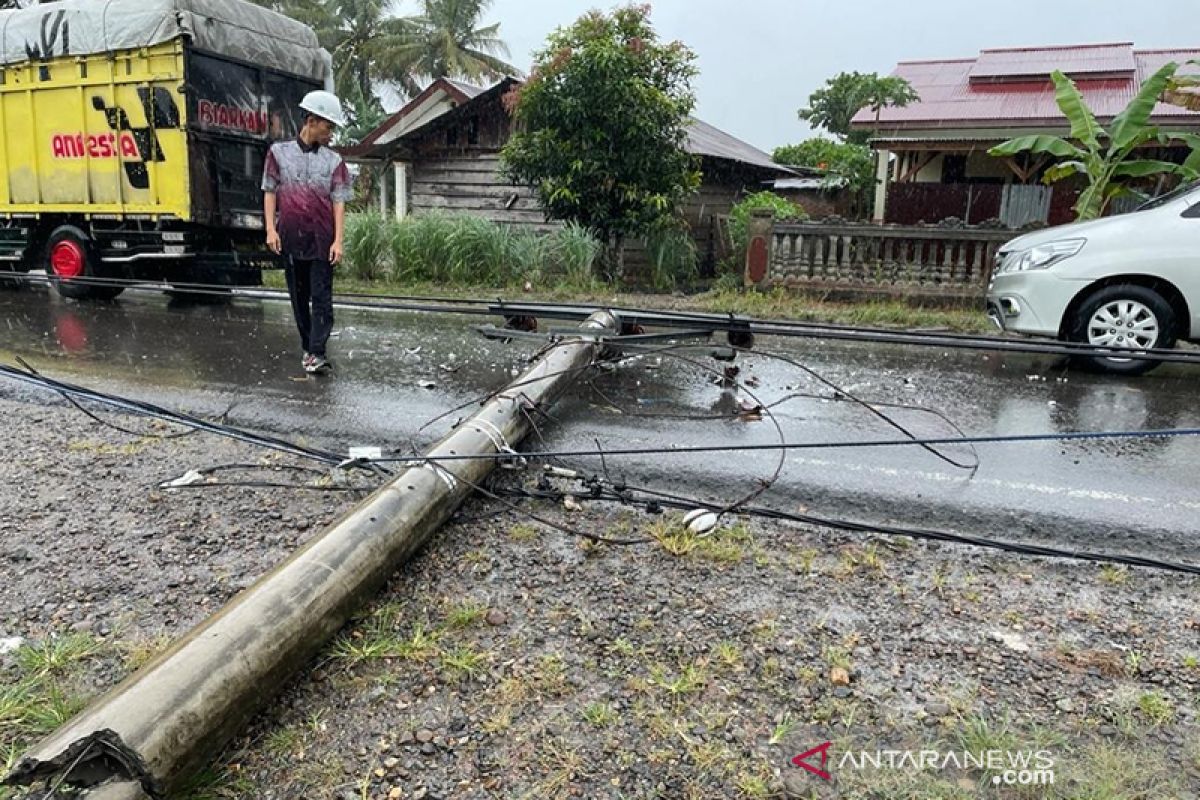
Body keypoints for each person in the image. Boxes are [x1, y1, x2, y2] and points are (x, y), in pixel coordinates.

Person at [261, 90, 352, 374]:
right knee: (299, 298)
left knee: (322, 298)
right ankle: (309, 348)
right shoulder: (279, 153)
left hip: (322, 240)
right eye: (328, 126)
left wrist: (338, 239)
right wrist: (270, 230)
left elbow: (339, 201)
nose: (331, 133)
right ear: (312, 121)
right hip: (291, 237)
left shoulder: (334, 162)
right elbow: (269, 191)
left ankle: (317, 352)